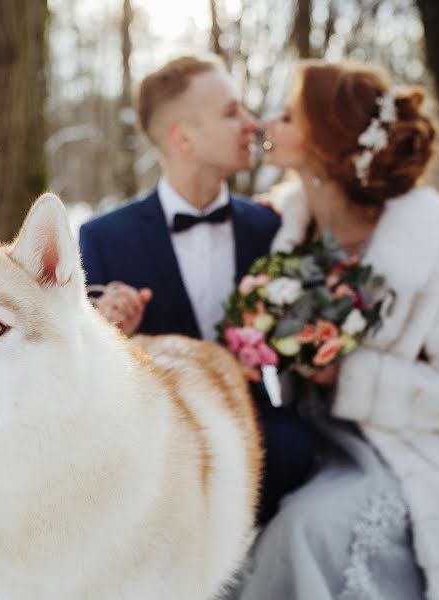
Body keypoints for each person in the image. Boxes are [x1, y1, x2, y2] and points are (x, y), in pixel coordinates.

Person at [230, 60, 439, 600]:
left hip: (408, 460)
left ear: (329, 142)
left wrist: (349, 375)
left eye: (289, 116)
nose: (270, 123)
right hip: (308, 444)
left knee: (305, 530)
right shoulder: (283, 231)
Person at [78, 55, 318, 525]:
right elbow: (83, 371)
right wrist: (110, 329)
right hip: (152, 439)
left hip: (259, 434)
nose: (252, 123)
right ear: (182, 137)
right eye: (231, 113)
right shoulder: (104, 237)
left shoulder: (272, 229)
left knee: (298, 451)